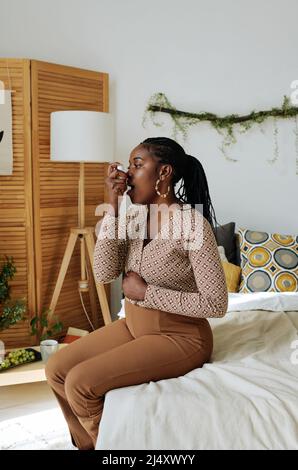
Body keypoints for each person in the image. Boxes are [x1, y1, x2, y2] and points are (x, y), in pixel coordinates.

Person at [45, 137, 228, 450]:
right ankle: (88, 444)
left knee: (80, 383)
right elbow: (103, 273)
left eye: (137, 164)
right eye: (129, 165)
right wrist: (112, 208)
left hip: (181, 337)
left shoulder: (192, 225)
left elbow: (217, 303)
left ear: (164, 173)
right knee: (57, 370)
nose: (127, 174)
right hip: (134, 325)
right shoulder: (132, 219)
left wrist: (146, 293)